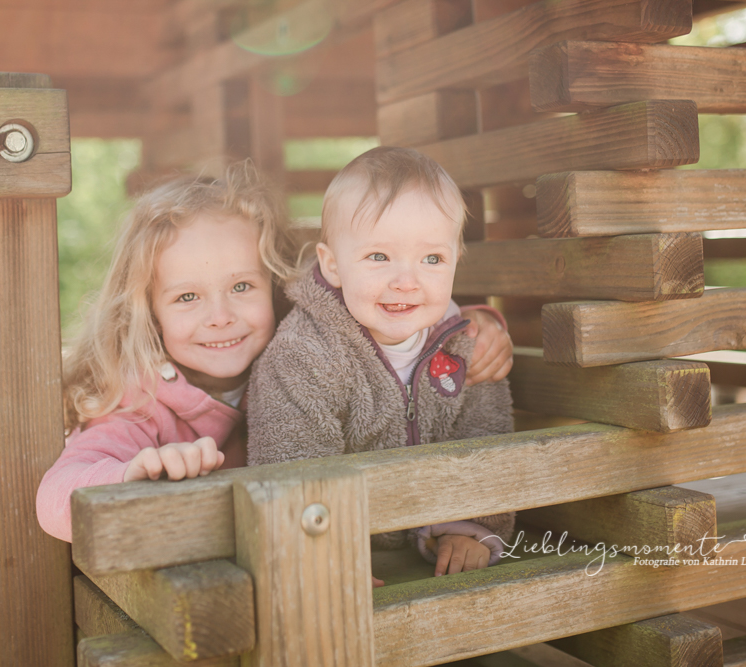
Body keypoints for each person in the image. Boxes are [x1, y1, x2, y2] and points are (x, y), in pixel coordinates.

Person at [36, 161, 513, 543]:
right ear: (148, 312)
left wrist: (478, 323)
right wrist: (126, 477)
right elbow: (55, 498)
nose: (220, 316)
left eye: (241, 286)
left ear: (273, 285)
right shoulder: (139, 404)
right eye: (187, 297)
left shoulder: (305, 349)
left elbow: (379, 318)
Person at [247, 147, 515, 579]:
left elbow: (483, 431)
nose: (406, 281)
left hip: (426, 542)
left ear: (454, 263)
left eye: (432, 259)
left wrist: (470, 528)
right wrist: (323, 552)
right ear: (332, 265)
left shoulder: (460, 344)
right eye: (378, 257)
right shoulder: (303, 355)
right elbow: (291, 461)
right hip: (330, 543)